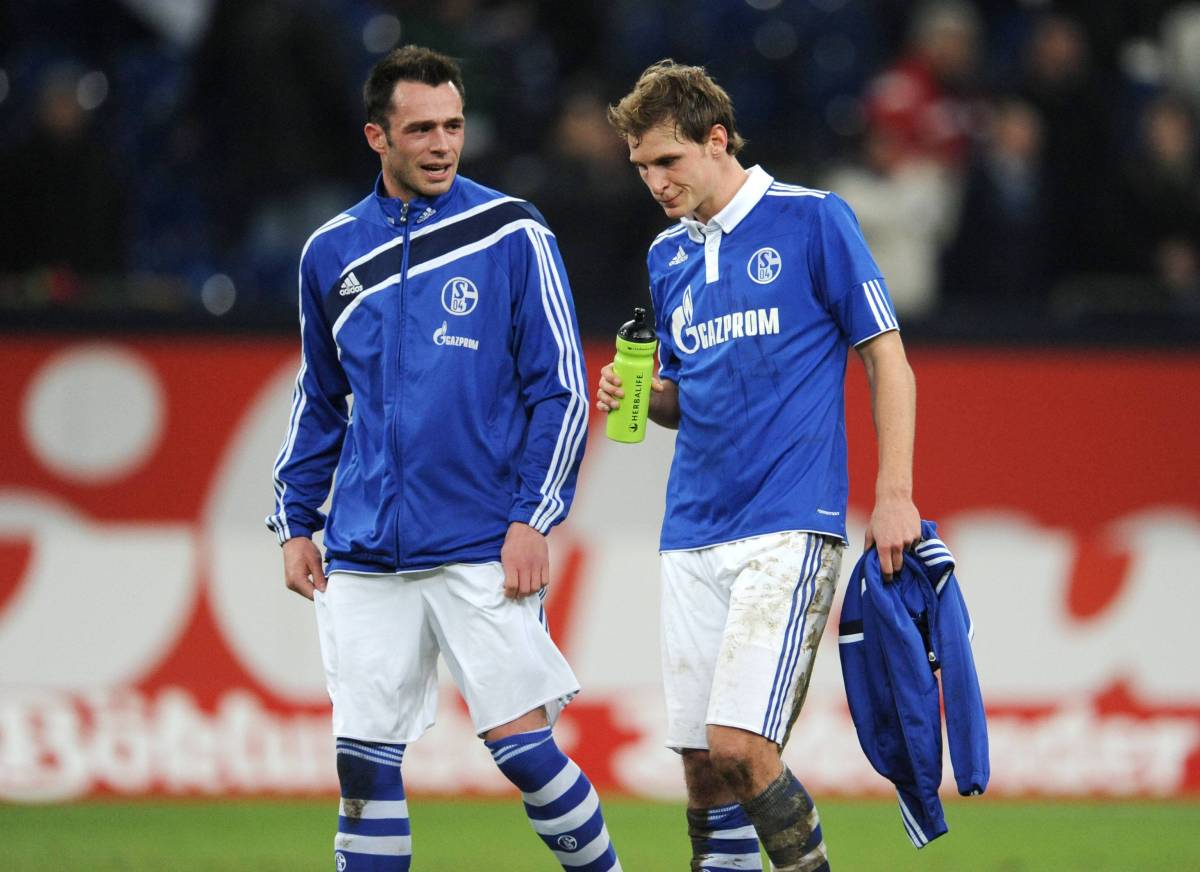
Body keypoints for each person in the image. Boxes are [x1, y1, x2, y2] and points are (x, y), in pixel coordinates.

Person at [266, 45, 619, 872]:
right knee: (363, 768)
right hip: (363, 550)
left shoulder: (512, 231)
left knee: (524, 752)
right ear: (377, 137)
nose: (441, 144)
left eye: (453, 126)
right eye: (421, 128)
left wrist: (533, 518)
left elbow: (563, 390)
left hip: (478, 540)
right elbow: (321, 396)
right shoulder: (329, 252)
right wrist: (295, 521)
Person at [598, 60, 921, 872]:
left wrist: (894, 494)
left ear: (717, 139)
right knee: (703, 767)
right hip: (692, 529)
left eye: (668, 160)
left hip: (787, 523)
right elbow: (686, 399)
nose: (655, 182)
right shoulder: (668, 256)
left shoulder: (813, 220)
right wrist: (642, 395)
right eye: (641, 167)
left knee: (741, 748)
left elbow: (887, 357)